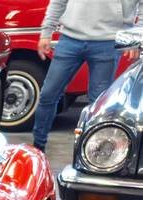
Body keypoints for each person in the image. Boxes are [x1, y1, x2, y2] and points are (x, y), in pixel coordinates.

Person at [32, 0, 142, 151]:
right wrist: (46, 32)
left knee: (99, 106)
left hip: (108, 42)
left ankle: (92, 156)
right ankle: (37, 148)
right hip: (70, 39)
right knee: (48, 95)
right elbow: (58, 1)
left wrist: (135, 37)